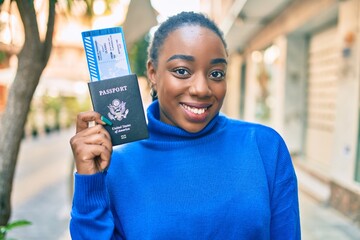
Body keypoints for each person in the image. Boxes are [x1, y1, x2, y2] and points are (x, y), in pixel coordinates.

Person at [70, 11, 301, 239]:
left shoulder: (265, 148)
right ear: (153, 73)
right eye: (182, 71)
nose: (201, 88)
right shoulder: (115, 166)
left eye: (216, 73)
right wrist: (90, 183)